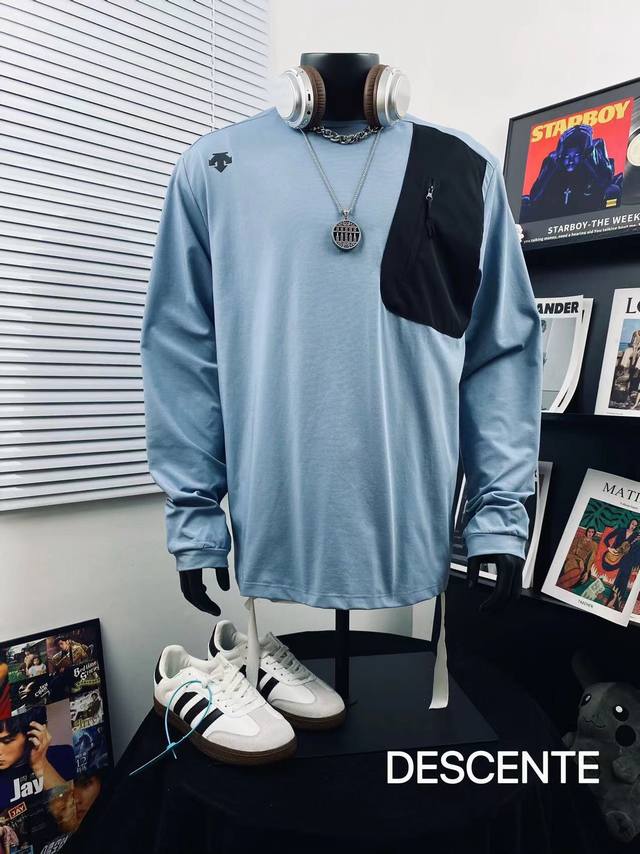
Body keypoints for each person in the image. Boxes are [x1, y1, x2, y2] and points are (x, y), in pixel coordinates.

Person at [0, 712, 75, 810]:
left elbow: (69, 811)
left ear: (33, 734)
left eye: (6, 741)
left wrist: (40, 764)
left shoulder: (63, 755)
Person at [558, 526, 598, 590]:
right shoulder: (578, 539)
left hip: (583, 563)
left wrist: (587, 572)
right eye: (589, 531)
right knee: (574, 569)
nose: (590, 533)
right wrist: (579, 560)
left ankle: (566, 586)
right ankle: (561, 584)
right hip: (573, 558)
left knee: (585, 574)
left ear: (594, 533)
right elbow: (570, 551)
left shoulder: (594, 544)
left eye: (592, 532)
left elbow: (591, 559)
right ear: (586, 532)